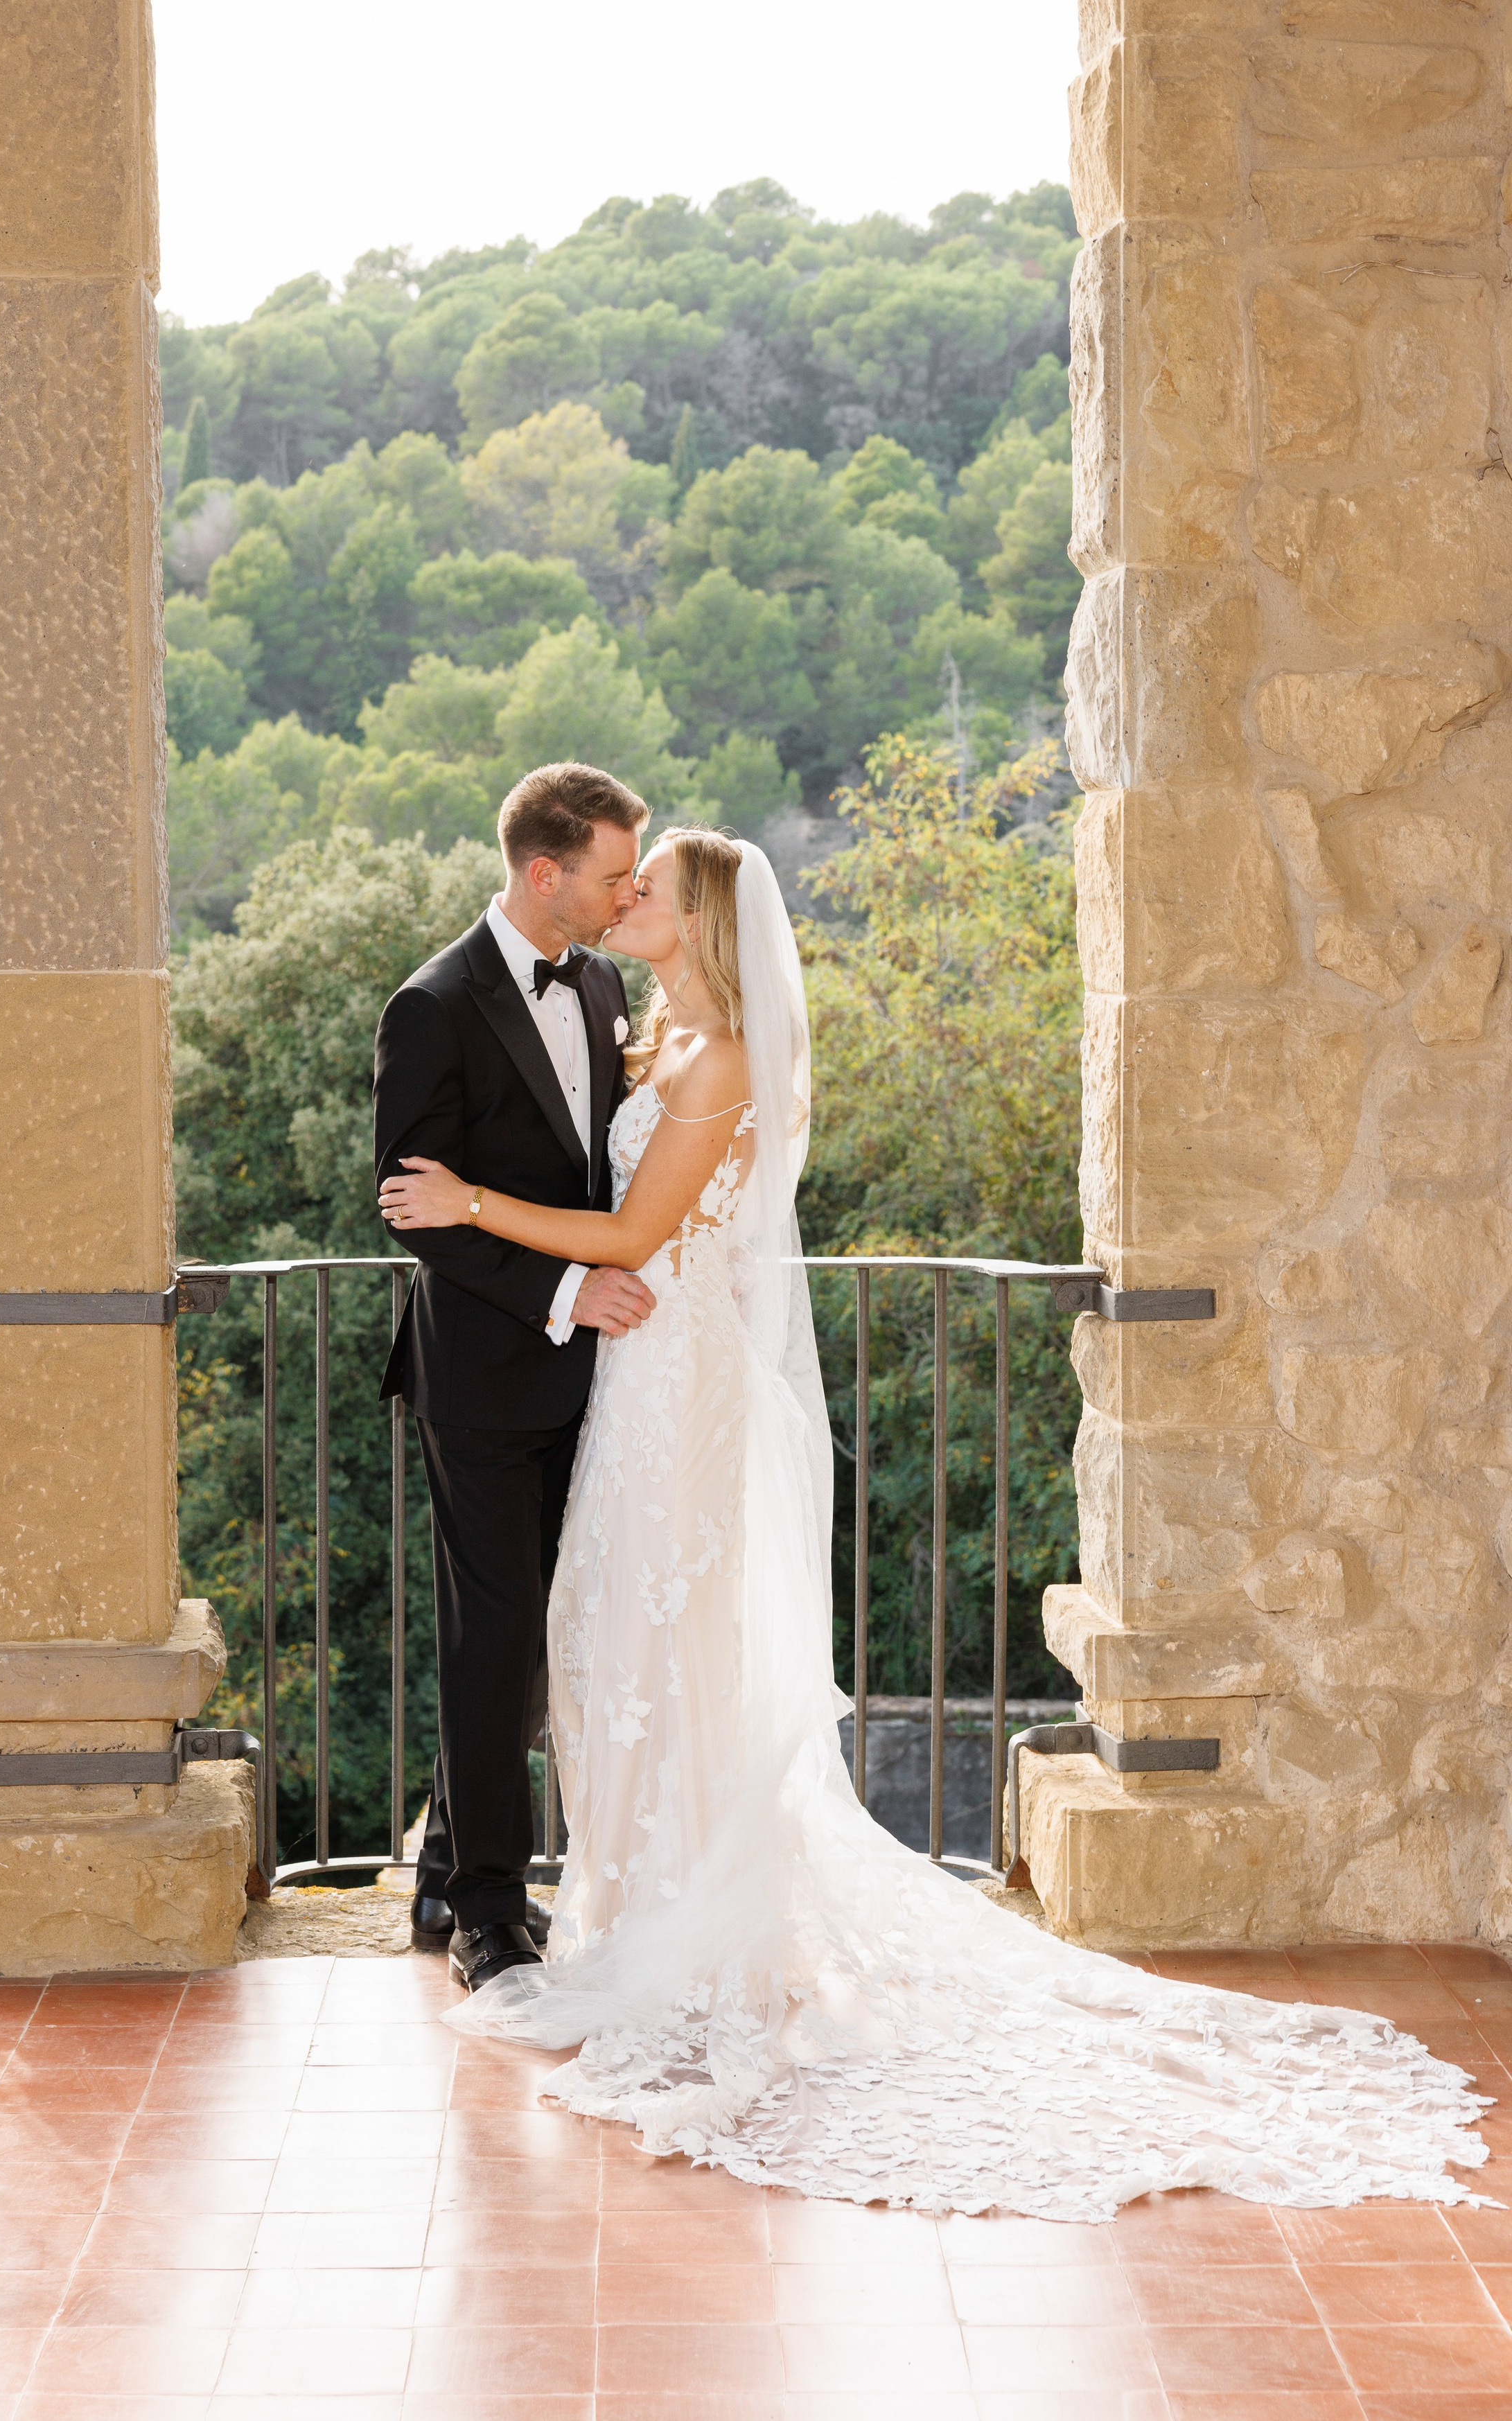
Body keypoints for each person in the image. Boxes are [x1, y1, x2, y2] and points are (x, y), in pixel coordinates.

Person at [378, 827, 1492, 2219]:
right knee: (611, 1648)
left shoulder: (717, 1064)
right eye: (621, 879)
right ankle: (629, 1906)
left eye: (649, 886)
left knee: (669, 1644)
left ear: (703, 919)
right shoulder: (652, 1029)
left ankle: (691, 1935)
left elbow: (627, 1234)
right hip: (632, 1378)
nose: (627, 900)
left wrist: (467, 1199)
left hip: (676, 1382)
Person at [372, 762, 656, 1993]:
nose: (626, 890)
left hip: (604, 1378)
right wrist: (558, 1294)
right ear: (545, 873)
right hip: (483, 1380)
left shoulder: (598, 981)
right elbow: (411, 1210)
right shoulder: (430, 1005)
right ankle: (489, 1909)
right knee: (498, 1643)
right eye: (610, 872)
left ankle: (447, 1856)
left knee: (557, 1633)